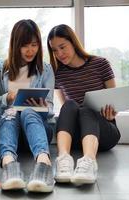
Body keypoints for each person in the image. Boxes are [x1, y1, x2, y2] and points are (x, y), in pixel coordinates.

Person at [47, 24, 121, 185]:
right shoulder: (58, 73)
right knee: (71, 105)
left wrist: (111, 112)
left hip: (104, 132)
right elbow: (68, 109)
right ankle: (63, 160)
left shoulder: (100, 64)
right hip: (76, 137)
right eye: (54, 50)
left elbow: (114, 102)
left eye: (62, 47)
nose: (59, 54)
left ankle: (89, 161)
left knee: (86, 109)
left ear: (73, 43)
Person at [0, 19, 55, 192]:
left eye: (34, 45)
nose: (30, 50)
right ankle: (9, 164)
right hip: (8, 131)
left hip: (36, 131)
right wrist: (7, 98)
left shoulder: (45, 69)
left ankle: (43, 162)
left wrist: (41, 106)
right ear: (15, 45)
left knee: (28, 111)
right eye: (25, 45)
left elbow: (50, 107)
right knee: (10, 111)